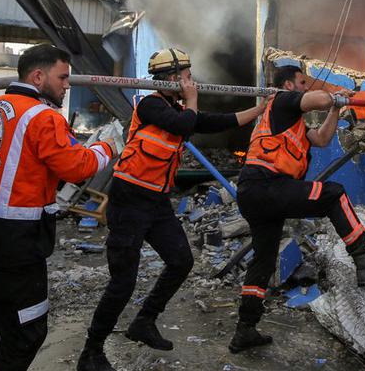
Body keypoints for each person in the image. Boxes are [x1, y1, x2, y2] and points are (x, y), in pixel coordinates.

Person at [0, 44, 116, 371]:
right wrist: (107, 147)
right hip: (15, 242)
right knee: (27, 331)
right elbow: (77, 168)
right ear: (38, 76)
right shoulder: (43, 117)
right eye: (62, 77)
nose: (67, 85)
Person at [78, 49, 265, 371]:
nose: (193, 82)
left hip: (156, 201)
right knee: (123, 282)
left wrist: (261, 108)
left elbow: (217, 121)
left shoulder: (179, 108)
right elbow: (182, 124)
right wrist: (192, 98)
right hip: (130, 198)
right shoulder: (151, 105)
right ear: (172, 79)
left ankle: (145, 320)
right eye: (187, 77)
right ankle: (91, 351)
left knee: (181, 261)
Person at [228, 65, 365, 353]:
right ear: (288, 84)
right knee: (333, 194)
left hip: (256, 193)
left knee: (263, 261)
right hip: (266, 185)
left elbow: (320, 139)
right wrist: (337, 96)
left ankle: (244, 330)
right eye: (302, 82)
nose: (306, 87)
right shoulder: (283, 99)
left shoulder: (289, 121)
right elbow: (320, 100)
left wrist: (336, 110)